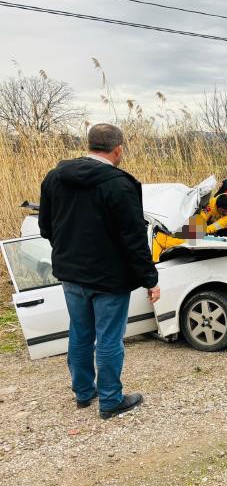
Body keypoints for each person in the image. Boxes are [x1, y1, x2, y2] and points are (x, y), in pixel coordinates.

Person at [38, 123, 160, 420]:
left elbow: (45, 227)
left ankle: (83, 393)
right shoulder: (120, 184)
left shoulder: (54, 178)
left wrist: (68, 250)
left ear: (89, 144)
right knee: (109, 338)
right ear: (118, 149)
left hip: (71, 274)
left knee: (80, 333)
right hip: (109, 278)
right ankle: (110, 400)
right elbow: (134, 238)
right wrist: (150, 279)